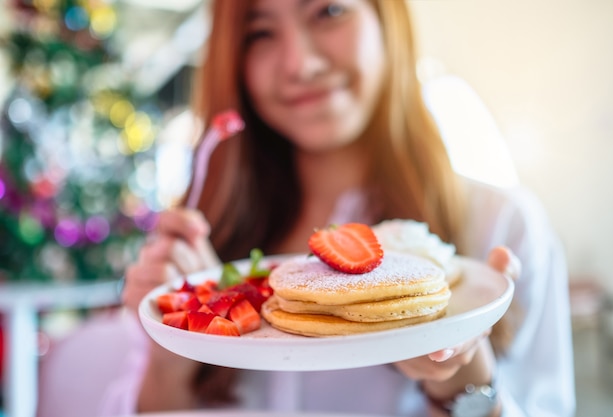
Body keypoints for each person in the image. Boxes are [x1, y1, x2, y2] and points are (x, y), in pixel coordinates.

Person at [101, 0, 575, 416]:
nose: (299, 63)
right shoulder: (206, 239)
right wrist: (173, 354)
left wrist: (461, 385)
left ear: (388, 18)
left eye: (328, 11)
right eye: (260, 32)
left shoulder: (501, 224)